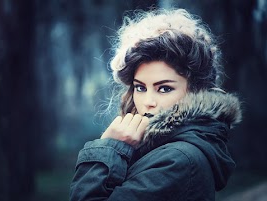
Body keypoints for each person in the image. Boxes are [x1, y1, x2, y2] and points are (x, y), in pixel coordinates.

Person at [70, 8, 242, 201]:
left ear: (195, 91)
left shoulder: (178, 160)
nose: (148, 103)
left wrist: (108, 149)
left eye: (164, 89)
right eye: (140, 88)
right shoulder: (159, 146)